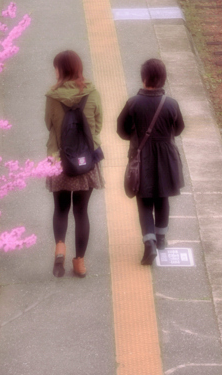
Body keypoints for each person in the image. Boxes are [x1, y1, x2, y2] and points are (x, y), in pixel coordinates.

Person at [117, 58, 185, 265]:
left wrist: (137, 138)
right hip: (166, 156)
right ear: (163, 79)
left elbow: (121, 129)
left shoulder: (133, 103)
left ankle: (149, 243)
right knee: (162, 196)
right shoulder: (171, 104)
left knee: (144, 200)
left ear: (144, 77)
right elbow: (179, 128)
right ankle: (161, 237)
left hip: (142, 156)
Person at [45, 49, 104, 278]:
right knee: (82, 213)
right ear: (79, 68)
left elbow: (49, 124)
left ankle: (60, 247)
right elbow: (98, 124)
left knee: (60, 209)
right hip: (86, 161)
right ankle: (79, 263)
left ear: (60, 70)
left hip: (59, 159)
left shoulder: (52, 96)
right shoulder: (92, 92)